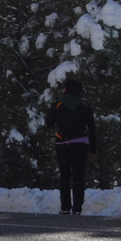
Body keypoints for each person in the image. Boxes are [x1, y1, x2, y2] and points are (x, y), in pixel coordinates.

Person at [48, 78, 98, 215]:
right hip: (80, 143)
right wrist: (93, 148)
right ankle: (77, 208)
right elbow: (92, 127)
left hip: (62, 143)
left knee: (64, 175)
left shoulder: (57, 104)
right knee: (78, 176)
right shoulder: (84, 104)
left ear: (66, 89)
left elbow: (49, 122)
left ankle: (65, 207)